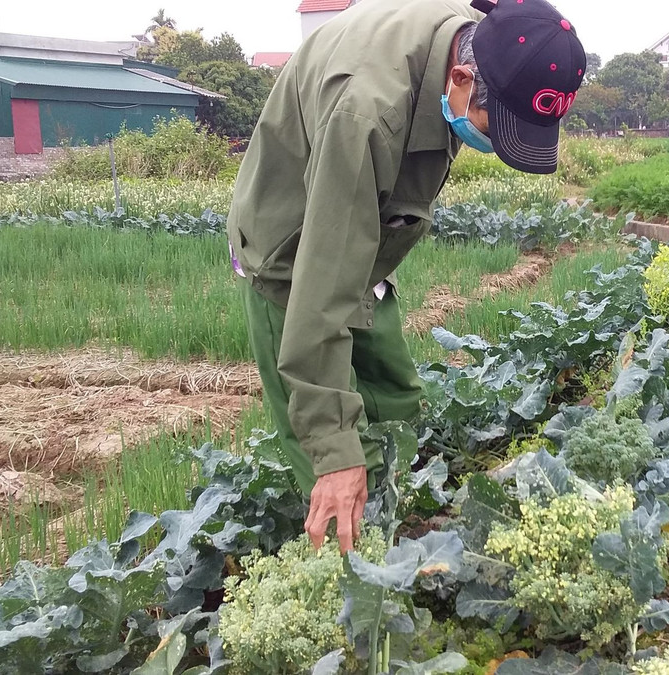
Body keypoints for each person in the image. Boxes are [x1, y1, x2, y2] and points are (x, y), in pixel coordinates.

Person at [226, 0, 587, 552]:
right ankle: (351, 562)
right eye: (497, 127)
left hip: (370, 230)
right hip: (291, 251)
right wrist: (335, 452)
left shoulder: (479, 36)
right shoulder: (366, 115)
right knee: (330, 459)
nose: (494, 145)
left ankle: (401, 517)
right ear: (461, 79)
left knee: (396, 401)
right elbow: (321, 288)